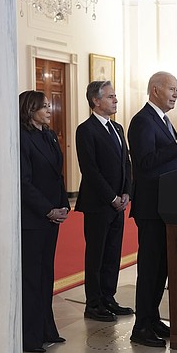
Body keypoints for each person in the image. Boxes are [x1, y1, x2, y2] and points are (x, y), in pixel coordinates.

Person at [127, 71, 177, 347]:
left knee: (162, 267)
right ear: (155, 90)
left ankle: (152, 319)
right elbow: (147, 163)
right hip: (151, 208)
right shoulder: (141, 122)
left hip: (166, 207)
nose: (176, 94)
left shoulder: (162, 120)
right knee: (150, 269)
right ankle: (140, 327)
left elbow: (174, 163)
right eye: (172, 89)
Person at [75, 80, 134, 322]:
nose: (115, 100)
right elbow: (90, 170)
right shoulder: (86, 130)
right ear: (95, 101)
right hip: (99, 204)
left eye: (115, 96)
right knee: (97, 255)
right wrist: (111, 197)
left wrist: (127, 192)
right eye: (110, 97)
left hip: (119, 202)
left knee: (113, 253)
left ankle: (109, 297)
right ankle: (94, 303)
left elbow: (126, 163)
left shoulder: (118, 128)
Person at [19, 90, 70, 353]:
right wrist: (47, 210)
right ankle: (30, 337)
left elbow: (57, 175)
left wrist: (63, 205)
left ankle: (47, 329)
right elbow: (24, 183)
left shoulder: (48, 135)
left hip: (52, 216)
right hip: (34, 218)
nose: (49, 109)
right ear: (30, 110)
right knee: (32, 278)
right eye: (44, 106)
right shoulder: (23, 137)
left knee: (46, 275)